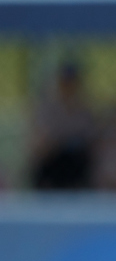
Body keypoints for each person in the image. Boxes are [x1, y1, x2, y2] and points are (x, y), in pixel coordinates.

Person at [29, 61, 98, 190]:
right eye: (65, 82)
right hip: (52, 164)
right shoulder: (47, 110)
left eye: (72, 82)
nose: (68, 87)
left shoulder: (84, 111)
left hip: (76, 164)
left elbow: (91, 142)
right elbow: (41, 146)